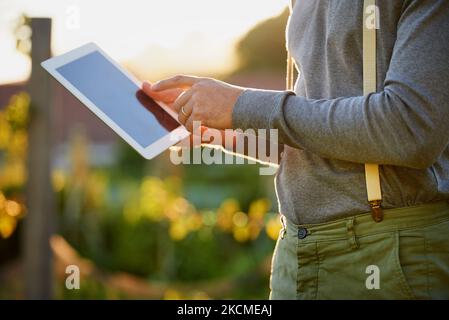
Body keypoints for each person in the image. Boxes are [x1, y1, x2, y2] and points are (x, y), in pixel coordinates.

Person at [142, 0, 449, 299]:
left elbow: (409, 128)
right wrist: (223, 131)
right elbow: (310, 135)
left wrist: (240, 104)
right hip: (294, 255)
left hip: (384, 255)